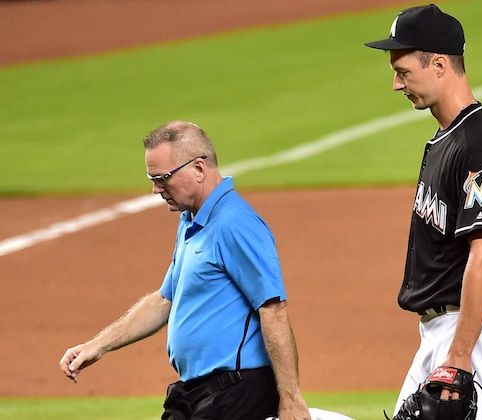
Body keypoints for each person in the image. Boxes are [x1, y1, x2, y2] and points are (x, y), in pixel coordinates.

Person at [59, 120, 312, 420]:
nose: (155, 189)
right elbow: (165, 300)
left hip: (237, 393)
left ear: (199, 169)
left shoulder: (234, 223)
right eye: (152, 178)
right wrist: (97, 346)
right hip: (200, 393)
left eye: (162, 178)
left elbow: (273, 309)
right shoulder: (192, 222)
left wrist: (291, 398)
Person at [364, 4, 482, 419]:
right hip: (447, 332)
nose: (397, 85)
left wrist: (458, 356)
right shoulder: (447, 138)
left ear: (438, 64)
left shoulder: (478, 145)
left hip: (475, 335)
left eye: (403, 72)